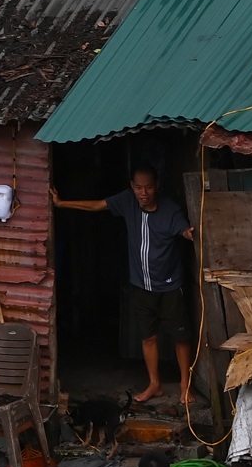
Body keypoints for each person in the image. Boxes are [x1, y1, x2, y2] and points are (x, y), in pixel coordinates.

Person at [51, 166, 195, 405]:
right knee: (148, 337)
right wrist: (61, 203)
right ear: (132, 187)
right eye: (138, 187)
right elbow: (97, 206)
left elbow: (184, 231)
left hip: (170, 285)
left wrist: (192, 233)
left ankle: (184, 386)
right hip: (140, 286)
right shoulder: (127, 202)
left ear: (157, 185)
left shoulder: (171, 209)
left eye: (148, 187)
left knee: (181, 337)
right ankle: (155, 384)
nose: (143, 193)